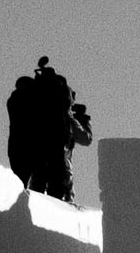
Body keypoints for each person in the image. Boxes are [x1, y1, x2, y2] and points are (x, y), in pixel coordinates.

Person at [5, 57, 91, 201]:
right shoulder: (65, 114)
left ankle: (26, 204)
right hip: (57, 149)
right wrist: (82, 117)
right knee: (57, 183)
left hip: (27, 147)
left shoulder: (22, 101)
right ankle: (58, 204)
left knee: (35, 180)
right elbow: (85, 138)